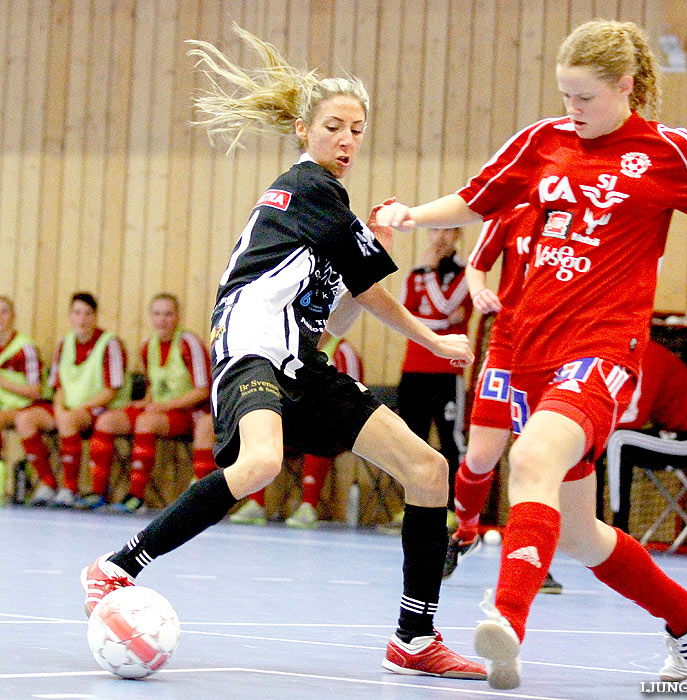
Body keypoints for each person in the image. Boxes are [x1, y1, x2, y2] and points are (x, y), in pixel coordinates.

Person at [376, 19, 687, 689]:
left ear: (624, 86)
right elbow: (477, 198)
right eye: (563, 96)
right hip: (528, 352)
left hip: (602, 351)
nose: (570, 111)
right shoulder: (541, 140)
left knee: (529, 460)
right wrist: (414, 216)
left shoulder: (668, 150)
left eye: (583, 98)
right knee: (580, 537)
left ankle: (507, 619)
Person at [80, 25, 485, 681]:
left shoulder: (329, 213)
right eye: (333, 126)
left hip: (299, 359)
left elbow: (343, 318)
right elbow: (378, 295)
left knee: (428, 470)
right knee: (263, 461)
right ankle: (116, 567)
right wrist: (434, 337)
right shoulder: (307, 188)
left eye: (357, 128)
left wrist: (370, 248)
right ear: (303, 130)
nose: (347, 140)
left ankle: (413, 637)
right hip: (249, 345)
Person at [442, 205, 562, 594]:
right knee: (479, 457)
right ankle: (464, 532)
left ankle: (532, 554)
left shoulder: (587, 212)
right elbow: (478, 263)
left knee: (537, 461)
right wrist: (478, 291)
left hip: (556, 351)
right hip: (509, 345)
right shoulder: (515, 209)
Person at [78, 293, 214, 513]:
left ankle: (137, 496)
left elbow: (203, 391)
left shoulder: (190, 343)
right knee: (106, 421)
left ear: (178, 317)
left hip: (191, 412)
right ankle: (97, 492)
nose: (162, 319)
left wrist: (164, 406)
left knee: (145, 423)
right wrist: (146, 401)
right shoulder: (146, 345)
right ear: (151, 317)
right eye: (158, 314)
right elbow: (156, 386)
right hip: (160, 411)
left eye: (168, 314)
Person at [230, 332, 364, 527]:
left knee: (317, 429)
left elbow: (354, 401)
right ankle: (255, 503)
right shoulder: (288, 349)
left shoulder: (344, 352)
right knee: (261, 426)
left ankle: (308, 506)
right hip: (297, 421)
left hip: (334, 426)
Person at [16, 292, 129, 508]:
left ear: (95, 317)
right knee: (25, 419)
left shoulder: (109, 343)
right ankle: (48, 484)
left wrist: (75, 411)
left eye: (88, 314)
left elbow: (111, 391)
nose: (82, 319)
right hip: (68, 409)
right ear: (70, 316)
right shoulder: (63, 344)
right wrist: (59, 409)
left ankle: (70, 488)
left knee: (68, 421)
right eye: (77, 313)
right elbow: (57, 386)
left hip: (98, 409)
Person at [394, 227, 473, 528]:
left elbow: (446, 305)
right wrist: (439, 324)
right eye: (434, 230)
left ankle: (453, 509)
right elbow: (404, 319)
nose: (439, 237)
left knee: (451, 442)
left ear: (457, 236)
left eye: (447, 231)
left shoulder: (466, 275)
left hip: (446, 371)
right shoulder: (413, 275)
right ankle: (414, 506)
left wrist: (429, 272)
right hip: (413, 370)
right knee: (412, 440)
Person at [603, 340, 687, 533]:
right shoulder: (623, 359)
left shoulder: (647, 355)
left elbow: (635, 418)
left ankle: (618, 527)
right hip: (673, 436)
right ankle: (595, 519)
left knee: (618, 440)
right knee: (599, 441)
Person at [0, 297, 48, 471]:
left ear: (12, 317)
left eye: (4, 311)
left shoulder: (24, 348)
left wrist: (4, 383)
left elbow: (36, 391)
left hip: (26, 407)